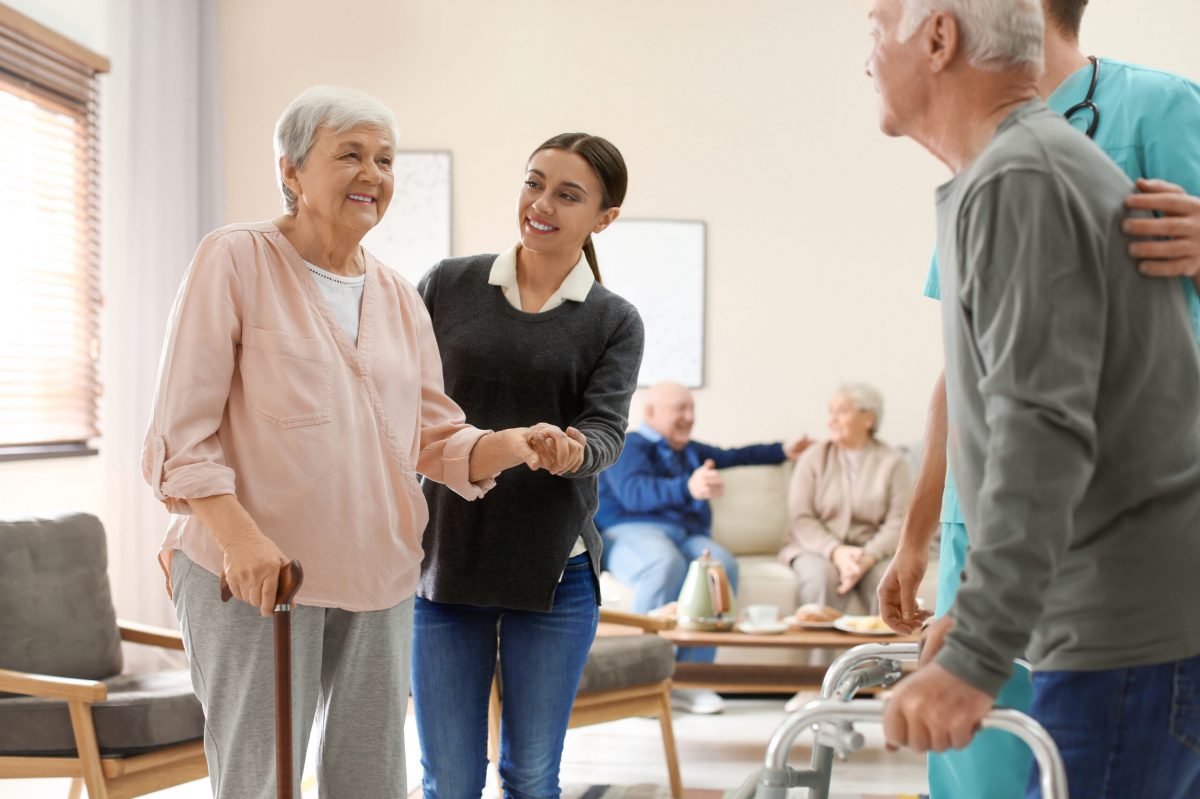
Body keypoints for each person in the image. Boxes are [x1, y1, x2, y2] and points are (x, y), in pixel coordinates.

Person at [141, 86, 576, 799]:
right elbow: (179, 429)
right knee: (261, 778)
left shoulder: (400, 294)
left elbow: (433, 433)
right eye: (350, 154)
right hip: (258, 572)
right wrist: (240, 540)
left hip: (379, 570)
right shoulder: (235, 259)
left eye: (384, 159)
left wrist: (516, 443)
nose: (373, 173)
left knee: (371, 780)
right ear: (291, 171)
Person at [864, 3, 1200, 798]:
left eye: (875, 28)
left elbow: (1043, 431)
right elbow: (986, 385)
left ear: (940, 38)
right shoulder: (1009, 172)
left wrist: (979, 649)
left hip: (1122, 623)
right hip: (1091, 608)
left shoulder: (1027, 175)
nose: (867, 56)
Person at [412, 133, 644, 798]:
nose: (540, 203)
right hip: (446, 561)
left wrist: (573, 450)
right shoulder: (448, 284)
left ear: (603, 218)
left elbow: (606, 428)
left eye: (567, 194)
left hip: (555, 572)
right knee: (448, 780)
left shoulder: (613, 319)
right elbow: (400, 399)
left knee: (532, 774)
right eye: (533, 182)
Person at [596, 381, 810, 714]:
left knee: (719, 566)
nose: (689, 416)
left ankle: (692, 679)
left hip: (685, 533)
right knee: (664, 563)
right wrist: (689, 486)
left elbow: (737, 455)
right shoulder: (628, 445)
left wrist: (783, 449)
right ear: (651, 413)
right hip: (630, 531)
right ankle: (641, 680)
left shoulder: (690, 451)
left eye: (692, 409)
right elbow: (634, 492)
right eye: (679, 408)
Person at [780, 383, 910, 615]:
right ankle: (822, 653)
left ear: (868, 419)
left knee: (887, 582)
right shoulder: (812, 458)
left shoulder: (893, 462)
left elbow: (898, 523)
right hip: (815, 549)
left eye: (842, 412)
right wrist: (836, 551)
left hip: (872, 552)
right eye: (831, 412)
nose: (832, 420)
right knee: (820, 578)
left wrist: (867, 558)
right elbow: (801, 518)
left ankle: (880, 653)